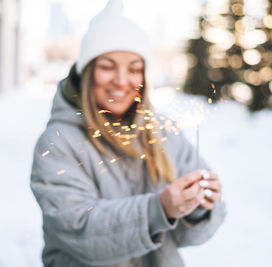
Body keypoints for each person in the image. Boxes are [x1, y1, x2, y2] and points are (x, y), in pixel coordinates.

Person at [30, 0, 226, 266]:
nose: (122, 80)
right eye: (107, 66)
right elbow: (80, 230)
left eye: (134, 68)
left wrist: (199, 208)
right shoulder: (58, 143)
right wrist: (159, 209)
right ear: (87, 72)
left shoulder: (165, 133)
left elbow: (182, 234)